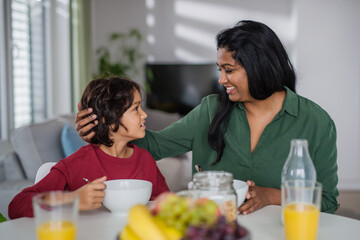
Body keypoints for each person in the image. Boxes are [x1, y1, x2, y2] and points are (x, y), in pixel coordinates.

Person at [76, 20, 339, 215]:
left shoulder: (316, 122)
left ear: (259, 67)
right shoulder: (210, 110)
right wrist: (105, 131)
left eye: (229, 70)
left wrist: (270, 195)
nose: (221, 80)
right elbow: (154, 146)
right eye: (219, 70)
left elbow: (327, 202)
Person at [8, 77, 169, 219]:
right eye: (136, 108)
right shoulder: (77, 164)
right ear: (109, 119)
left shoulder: (146, 160)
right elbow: (16, 206)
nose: (144, 114)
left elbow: (168, 206)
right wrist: (73, 199)